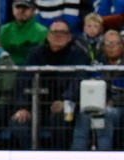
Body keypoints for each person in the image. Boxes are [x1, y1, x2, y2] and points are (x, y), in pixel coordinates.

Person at [9, 18, 89, 149]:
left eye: (62, 32)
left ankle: (57, 158)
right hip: (36, 105)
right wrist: (23, 107)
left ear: (69, 37)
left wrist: (65, 100)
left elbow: (79, 80)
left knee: (62, 117)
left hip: (66, 105)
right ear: (48, 35)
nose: (57, 35)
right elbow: (22, 80)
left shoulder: (79, 54)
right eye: (54, 32)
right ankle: (32, 158)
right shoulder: (35, 53)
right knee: (18, 121)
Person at [71, 28, 124, 149]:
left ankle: (104, 155)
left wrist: (113, 102)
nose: (110, 47)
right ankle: (76, 156)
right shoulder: (96, 65)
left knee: (105, 115)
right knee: (83, 115)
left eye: (114, 43)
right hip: (97, 105)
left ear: (122, 45)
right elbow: (90, 86)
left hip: (119, 108)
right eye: (107, 43)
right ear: (103, 46)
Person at [0, 0, 48, 65]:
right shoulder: (4, 30)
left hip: (32, 71)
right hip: (8, 71)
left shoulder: (42, 32)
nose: (21, 10)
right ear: (13, 9)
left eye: (25, 8)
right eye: (18, 7)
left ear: (33, 11)